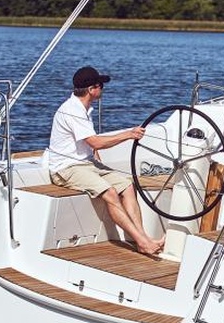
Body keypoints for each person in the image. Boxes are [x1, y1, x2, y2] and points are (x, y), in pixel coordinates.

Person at [47, 66, 164, 255]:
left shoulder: (83, 108)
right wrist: (128, 134)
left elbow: (89, 143)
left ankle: (142, 238)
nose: (103, 88)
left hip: (85, 164)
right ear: (92, 89)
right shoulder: (72, 110)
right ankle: (142, 242)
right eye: (100, 85)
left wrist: (94, 155)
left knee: (127, 186)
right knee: (110, 192)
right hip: (65, 168)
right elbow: (95, 141)